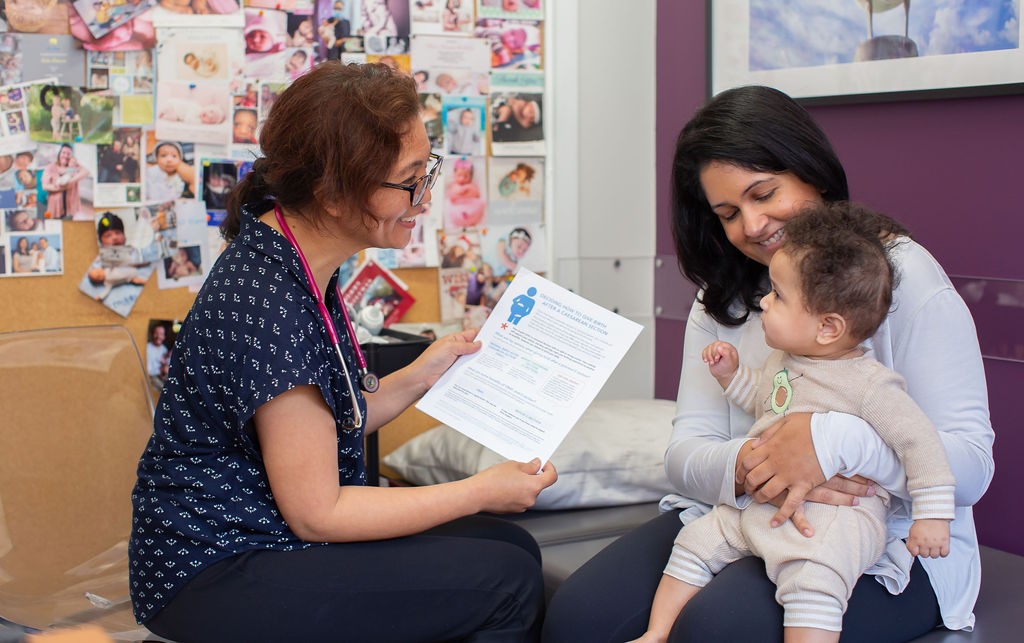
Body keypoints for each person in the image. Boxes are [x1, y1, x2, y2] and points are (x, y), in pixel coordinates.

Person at [542, 85, 994, 643]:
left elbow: (972, 467)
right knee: (578, 618)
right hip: (742, 514)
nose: (752, 226)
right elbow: (685, 457)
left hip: (893, 537)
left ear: (813, 173)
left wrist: (827, 447)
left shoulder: (901, 276)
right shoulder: (725, 297)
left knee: (717, 629)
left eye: (765, 194)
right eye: (729, 213)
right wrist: (760, 464)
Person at [129, 61, 557, 643]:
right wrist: (480, 489)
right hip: (216, 565)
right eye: (409, 181)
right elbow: (319, 512)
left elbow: (324, 422)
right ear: (332, 193)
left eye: (426, 171)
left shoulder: (292, 253)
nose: (424, 198)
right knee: (505, 580)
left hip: (260, 530)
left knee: (511, 546)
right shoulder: (271, 304)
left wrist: (417, 376)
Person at [632, 203, 955, 643]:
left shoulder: (871, 385)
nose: (764, 301)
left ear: (828, 327)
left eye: (779, 296)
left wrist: (933, 517)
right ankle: (656, 633)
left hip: (830, 520)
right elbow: (766, 400)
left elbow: (921, 445)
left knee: (814, 586)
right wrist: (731, 376)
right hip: (763, 506)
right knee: (695, 543)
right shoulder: (788, 361)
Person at [42, 144, 90, 219]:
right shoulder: (50, 167)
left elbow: (86, 172)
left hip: (70, 207)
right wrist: (60, 188)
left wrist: (69, 181)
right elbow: (44, 186)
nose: (65, 155)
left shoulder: (72, 167)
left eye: (68, 154)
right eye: (63, 153)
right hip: (55, 206)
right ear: (59, 154)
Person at [146, 324, 170, 391]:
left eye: (161, 334)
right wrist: (161, 370)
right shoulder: (147, 348)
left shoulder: (164, 349)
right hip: (151, 379)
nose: (158, 336)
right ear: (152, 334)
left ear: (164, 337)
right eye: (156, 333)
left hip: (162, 378)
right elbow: (147, 372)